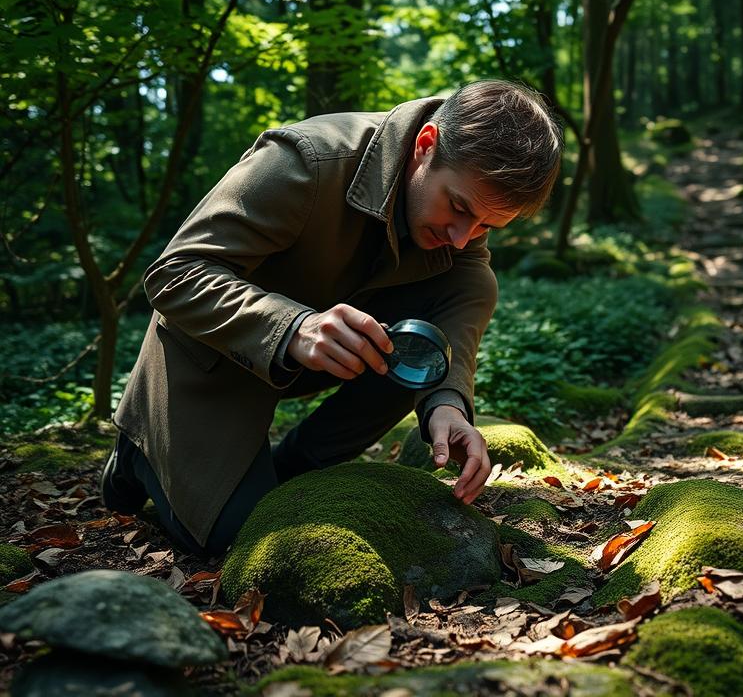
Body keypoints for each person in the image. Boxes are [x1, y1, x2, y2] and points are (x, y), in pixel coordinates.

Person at [100, 79, 563, 557]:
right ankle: (136, 451)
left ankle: (296, 467)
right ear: (426, 145)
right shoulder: (305, 161)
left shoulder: (458, 223)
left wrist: (446, 400)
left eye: (487, 225)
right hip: (215, 351)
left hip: (319, 357)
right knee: (238, 540)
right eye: (460, 207)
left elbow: (459, 299)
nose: (463, 235)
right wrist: (293, 328)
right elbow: (174, 274)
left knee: (474, 280)